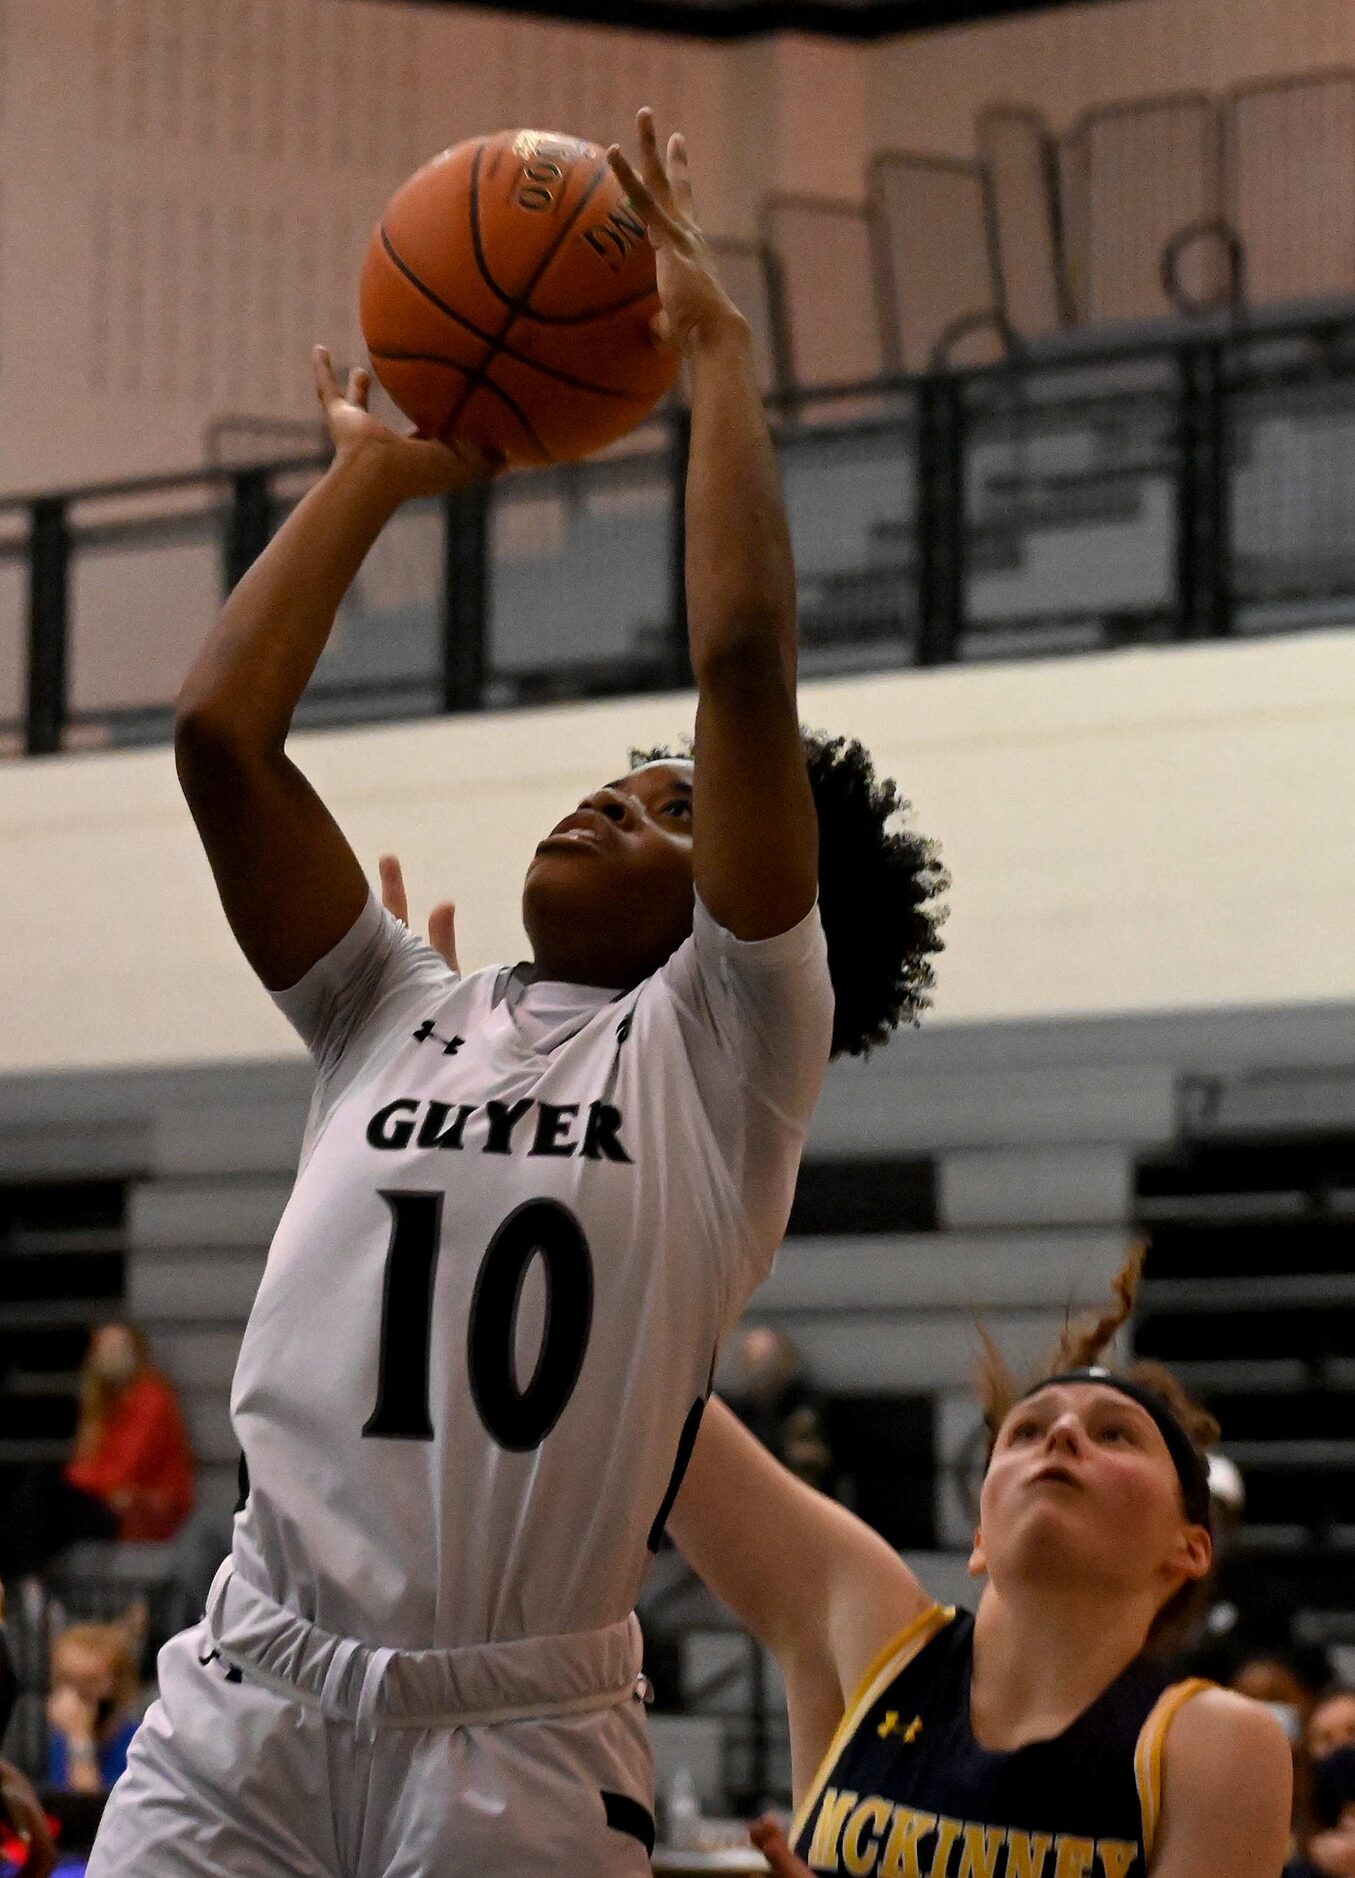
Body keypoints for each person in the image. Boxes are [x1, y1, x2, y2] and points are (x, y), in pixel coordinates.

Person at [86, 111, 944, 1878]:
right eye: (621, 778)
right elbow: (221, 743)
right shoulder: (386, 1002)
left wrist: (712, 349)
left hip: (519, 1731)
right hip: (248, 1686)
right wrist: (368, 480)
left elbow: (741, 663)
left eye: (672, 804)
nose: (615, 796)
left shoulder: (724, 1057)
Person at [668, 1250, 1293, 1877]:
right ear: (980, 1537)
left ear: (1190, 1548)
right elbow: (652, 1392)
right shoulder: (875, 1637)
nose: (1062, 1434)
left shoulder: (1214, 1744)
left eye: (1115, 1434)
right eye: (1025, 1433)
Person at [0, 1324, 195, 1582]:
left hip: (140, 1512)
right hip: (108, 1503)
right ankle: (23, 1580)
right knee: (39, 1503)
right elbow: (91, 1466)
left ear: (136, 1352)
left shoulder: (151, 1397)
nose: (110, 1355)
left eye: (119, 1347)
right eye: (104, 1348)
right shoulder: (101, 1404)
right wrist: (87, 1479)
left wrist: (78, 1478)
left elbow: (124, 1470)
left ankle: (21, 1584)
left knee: (44, 1490)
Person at [46, 1620, 142, 1794]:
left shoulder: (139, 1745)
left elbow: (90, 1811)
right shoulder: (55, 1742)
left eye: (90, 1681)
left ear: (120, 1685)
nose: (74, 1697)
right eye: (67, 1680)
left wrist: (80, 1739)